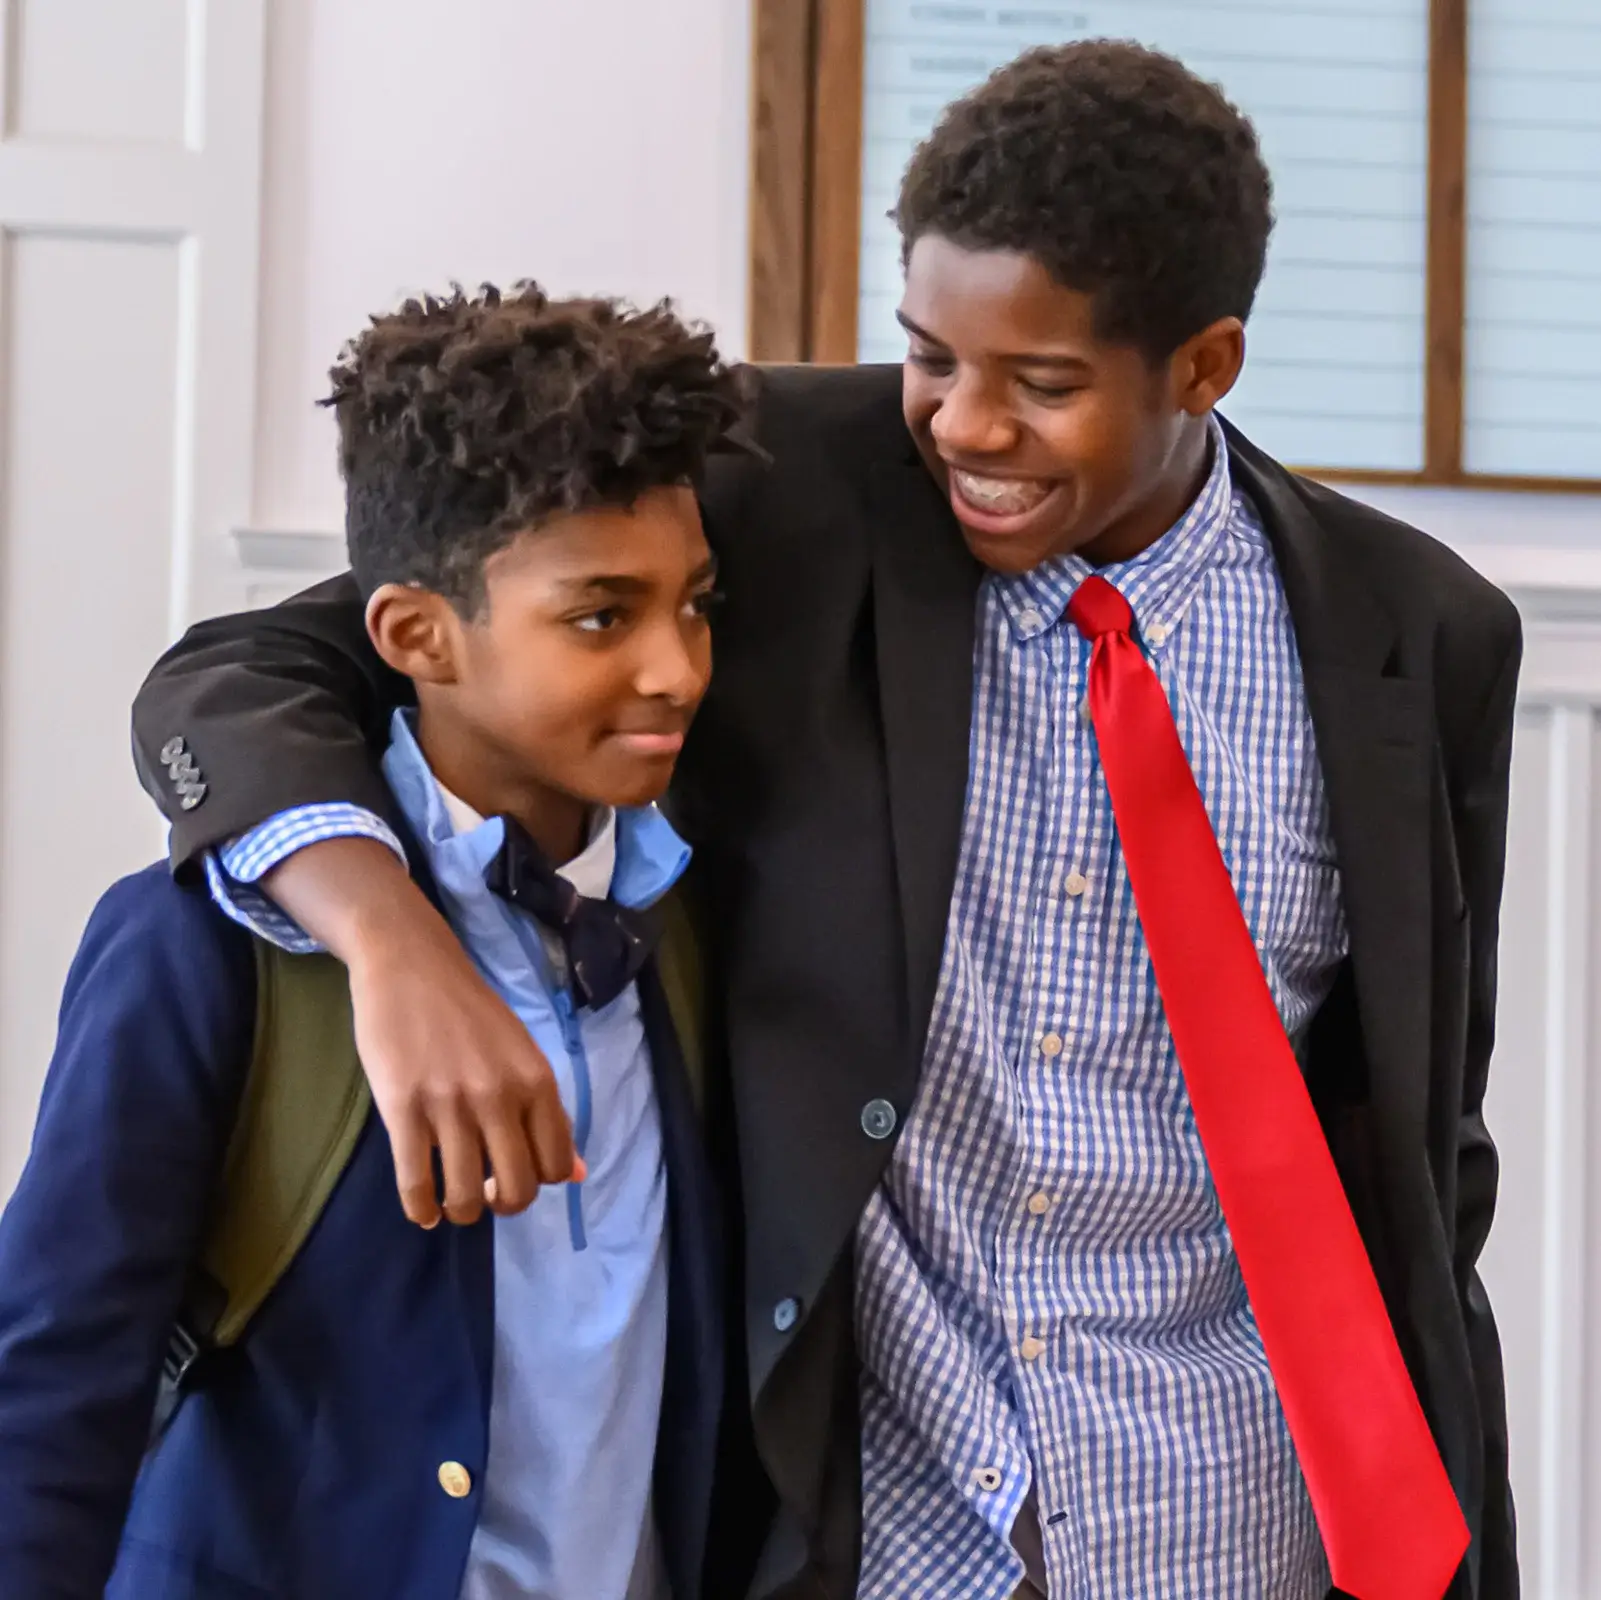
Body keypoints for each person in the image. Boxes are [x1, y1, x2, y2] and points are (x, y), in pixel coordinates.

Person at [129, 41, 1519, 1600]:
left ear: (1203, 366)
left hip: (1235, 1510)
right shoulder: (789, 488)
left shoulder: (1422, 635)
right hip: (868, 1518)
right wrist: (386, 938)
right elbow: (240, 673)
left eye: (1041, 386)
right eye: (931, 354)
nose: (965, 427)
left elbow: (1420, 1148)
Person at [0, 284, 742, 1599]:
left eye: (694, 605)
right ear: (414, 634)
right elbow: (51, 1390)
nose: (675, 667)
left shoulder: (699, 917)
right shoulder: (209, 947)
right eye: (600, 617)